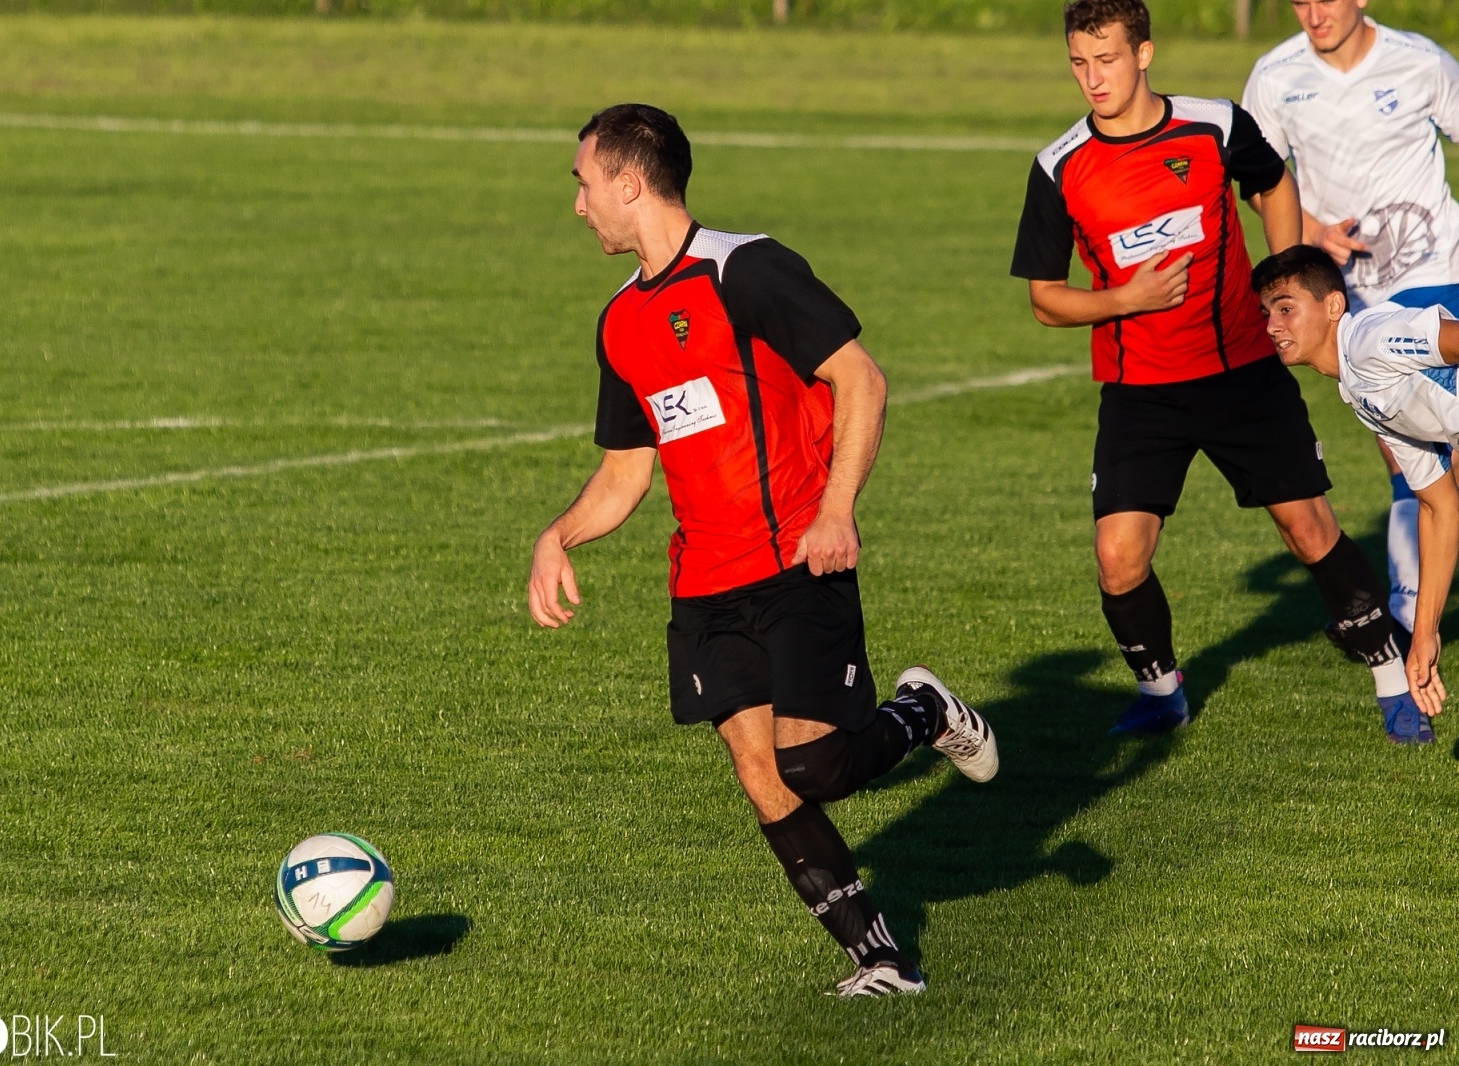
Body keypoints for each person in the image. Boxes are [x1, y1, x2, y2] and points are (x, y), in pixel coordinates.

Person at [527, 103, 999, 997]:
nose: (579, 205)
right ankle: (882, 961)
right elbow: (627, 471)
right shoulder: (620, 322)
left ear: (630, 182)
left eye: (584, 185)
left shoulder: (746, 269)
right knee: (761, 776)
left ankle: (922, 712)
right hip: (705, 586)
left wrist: (837, 510)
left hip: (798, 562)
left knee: (812, 764)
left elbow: (861, 379)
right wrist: (559, 535)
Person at [1009, 0, 1421, 742]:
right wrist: (1124, 299)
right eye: (1079, 63)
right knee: (1117, 557)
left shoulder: (1214, 126)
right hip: (1140, 392)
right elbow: (1045, 299)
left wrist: (1285, 284)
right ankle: (1162, 693)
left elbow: (1274, 184)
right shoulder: (1059, 166)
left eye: (1107, 59)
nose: (1093, 78)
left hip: (1242, 376)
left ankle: (1393, 678)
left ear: (1143, 54)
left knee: (1308, 528)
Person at [1242, 0, 1459, 636]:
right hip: (1345, 293)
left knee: (1434, 447)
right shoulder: (1275, 76)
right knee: (1408, 451)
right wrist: (1309, 230)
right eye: (1300, 1)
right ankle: (1412, 614)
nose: (1314, 13)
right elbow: (1257, 178)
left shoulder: (1420, 61)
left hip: (1430, 268)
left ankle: (1412, 613)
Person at [1252, 244, 1457, 741]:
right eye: (1266, 313)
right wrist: (1424, 634)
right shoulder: (1361, 389)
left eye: (1285, 308)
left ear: (1333, 305)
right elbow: (1439, 507)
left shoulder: (1369, 339)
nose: (1273, 326)